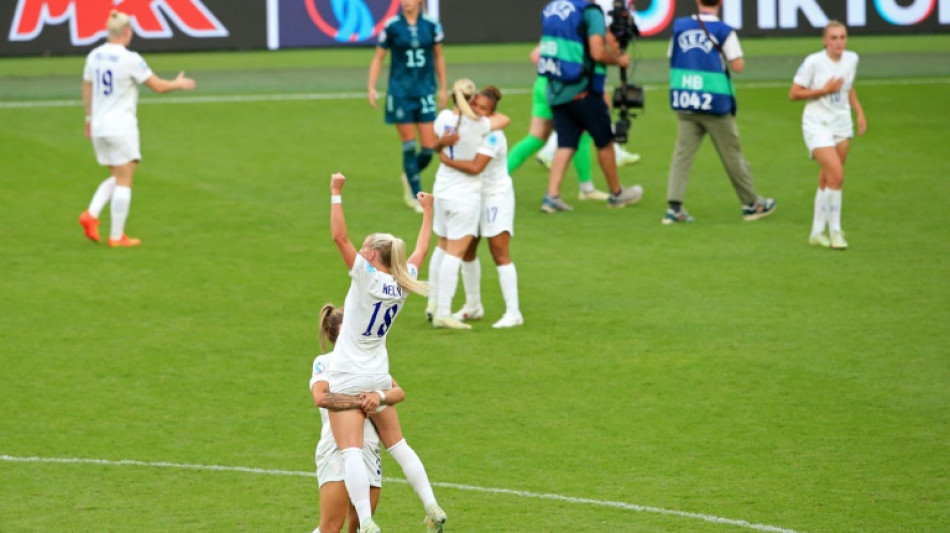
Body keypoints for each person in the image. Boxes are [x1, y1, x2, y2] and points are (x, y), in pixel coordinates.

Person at [326, 172, 446, 533]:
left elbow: (338, 236)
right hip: (379, 374)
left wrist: (336, 193)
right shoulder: (403, 280)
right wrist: (428, 212)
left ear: (373, 255)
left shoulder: (365, 276)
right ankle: (432, 506)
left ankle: (366, 522)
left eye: (365, 248)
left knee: (350, 451)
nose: (359, 250)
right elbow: (422, 250)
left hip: (347, 373)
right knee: (398, 445)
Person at [78, 10, 196, 247]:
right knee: (125, 181)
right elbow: (158, 86)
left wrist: (89, 119)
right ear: (126, 32)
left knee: (118, 176)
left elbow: (87, 87)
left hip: (100, 127)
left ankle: (91, 215)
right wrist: (178, 83)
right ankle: (116, 236)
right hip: (121, 127)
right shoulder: (129, 58)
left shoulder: (94, 55)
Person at [663, 0, 775, 225]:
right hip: (714, 102)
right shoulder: (724, 31)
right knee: (732, 154)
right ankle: (751, 204)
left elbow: (671, 55)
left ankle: (674, 208)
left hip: (686, 97)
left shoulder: (680, 26)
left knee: (682, 155)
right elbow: (738, 65)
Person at [538, 0, 644, 213]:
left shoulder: (552, 8)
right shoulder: (590, 11)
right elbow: (597, 52)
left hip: (556, 87)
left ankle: (552, 196)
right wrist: (619, 59)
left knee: (566, 143)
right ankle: (616, 193)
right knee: (604, 140)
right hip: (584, 88)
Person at [310, 304, 407, 533]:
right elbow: (320, 397)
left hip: (369, 450)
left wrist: (378, 396)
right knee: (331, 527)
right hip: (337, 448)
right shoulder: (325, 362)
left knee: (359, 527)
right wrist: (362, 402)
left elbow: (398, 393)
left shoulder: (369, 362)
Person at [426, 80, 509, 330]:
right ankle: (443, 311)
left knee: (441, 246)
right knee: (456, 252)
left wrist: (442, 146)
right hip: (465, 195)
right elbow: (504, 120)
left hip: (441, 189)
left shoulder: (442, 119)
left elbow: (435, 144)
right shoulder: (479, 126)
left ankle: (431, 304)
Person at [789, 21, 866, 250]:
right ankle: (836, 232)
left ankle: (816, 232)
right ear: (825, 40)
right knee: (837, 175)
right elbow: (794, 93)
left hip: (842, 124)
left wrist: (859, 112)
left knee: (828, 178)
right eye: (833, 38)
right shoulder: (813, 62)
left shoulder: (852, 59)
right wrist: (824, 90)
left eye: (842, 37)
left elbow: (848, 87)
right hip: (817, 124)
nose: (839, 42)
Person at [367, 0, 447, 214]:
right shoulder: (392, 25)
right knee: (409, 145)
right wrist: (372, 86)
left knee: (429, 148)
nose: (406, 2)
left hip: (425, 90)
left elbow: (438, 56)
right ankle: (414, 194)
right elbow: (378, 57)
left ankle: (409, 173)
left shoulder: (431, 24)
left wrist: (443, 88)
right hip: (400, 93)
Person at [507, 46, 609, 202]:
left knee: (536, 138)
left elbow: (535, 55)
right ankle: (586, 189)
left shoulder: (555, 29)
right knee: (581, 134)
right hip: (561, 86)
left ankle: (495, 180)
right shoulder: (579, 31)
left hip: (543, 83)